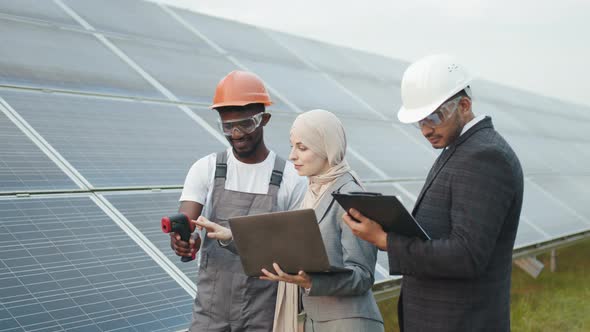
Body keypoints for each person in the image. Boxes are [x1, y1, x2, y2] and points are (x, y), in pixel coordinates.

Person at [342, 54, 524, 331]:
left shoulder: (484, 157)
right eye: (419, 121)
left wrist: (386, 240)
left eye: (433, 117)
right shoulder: (461, 148)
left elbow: (467, 255)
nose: (425, 130)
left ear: (464, 105)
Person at [170, 70, 307, 332]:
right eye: (227, 125)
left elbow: (296, 250)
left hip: (264, 314)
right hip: (210, 313)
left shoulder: (291, 178)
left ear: (264, 119)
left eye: (246, 123)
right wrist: (184, 239)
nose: (236, 133)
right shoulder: (206, 168)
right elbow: (187, 219)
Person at [257, 109, 384, 332]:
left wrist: (311, 282)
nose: (292, 156)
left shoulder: (351, 197)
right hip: (315, 323)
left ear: (327, 148)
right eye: (292, 146)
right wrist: (229, 236)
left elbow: (363, 276)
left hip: (349, 324)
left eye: (302, 147)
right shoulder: (312, 194)